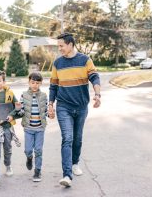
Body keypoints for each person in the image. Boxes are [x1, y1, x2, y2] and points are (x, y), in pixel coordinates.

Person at [48, 33, 101, 187]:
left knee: (77, 138)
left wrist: (97, 94)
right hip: (64, 106)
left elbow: (95, 77)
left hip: (81, 106)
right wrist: (51, 104)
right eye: (58, 46)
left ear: (70, 44)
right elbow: (53, 86)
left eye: (61, 46)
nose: (59, 49)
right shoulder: (57, 63)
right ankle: (67, 174)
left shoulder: (85, 60)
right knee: (68, 138)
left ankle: (75, 163)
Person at [15, 72, 54, 182]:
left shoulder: (44, 96)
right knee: (28, 150)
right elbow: (21, 112)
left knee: (38, 150)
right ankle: (29, 157)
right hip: (28, 128)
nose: (35, 85)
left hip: (40, 128)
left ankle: (37, 171)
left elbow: (46, 111)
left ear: (41, 83)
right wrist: (18, 109)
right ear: (29, 82)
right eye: (33, 82)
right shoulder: (24, 95)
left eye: (37, 83)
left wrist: (50, 114)